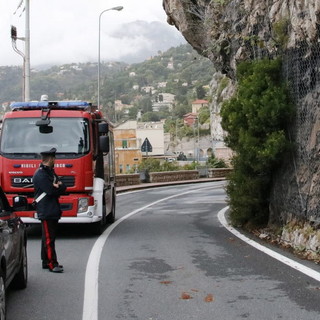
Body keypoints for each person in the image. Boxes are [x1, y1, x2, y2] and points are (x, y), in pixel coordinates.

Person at [33, 148, 66, 273]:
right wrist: (58, 186)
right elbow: (51, 190)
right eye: (54, 158)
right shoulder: (41, 174)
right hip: (46, 209)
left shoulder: (49, 173)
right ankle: (52, 264)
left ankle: (46, 262)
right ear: (51, 159)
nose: (55, 161)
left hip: (51, 209)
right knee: (48, 239)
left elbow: (63, 187)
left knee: (47, 238)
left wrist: (59, 186)